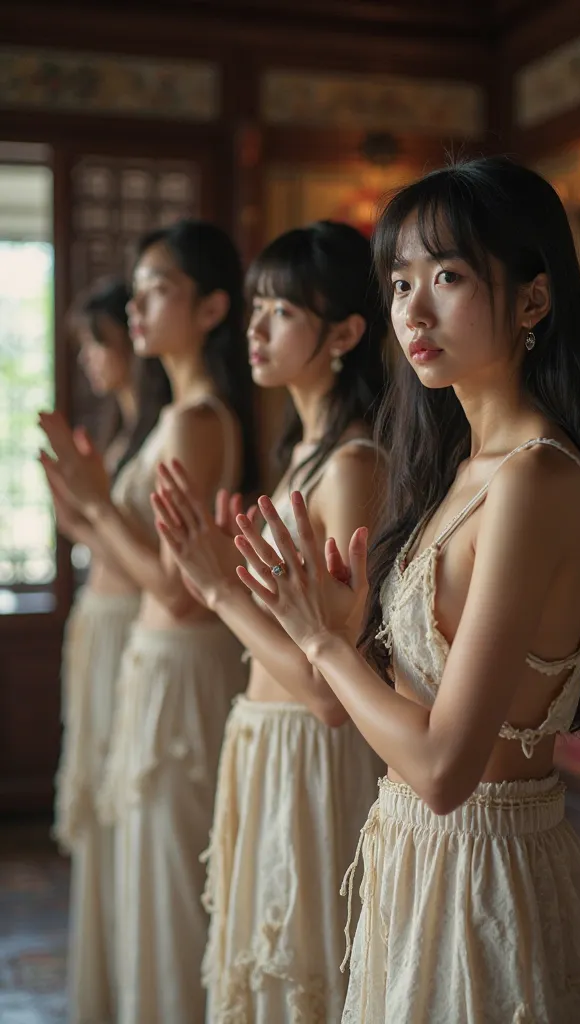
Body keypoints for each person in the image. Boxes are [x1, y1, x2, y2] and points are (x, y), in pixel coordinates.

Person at [232, 160, 580, 1023]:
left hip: (486, 872)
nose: (412, 311)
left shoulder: (535, 479)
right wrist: (354, 637)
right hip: (417, 857)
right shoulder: (459, 471)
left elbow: (447, 768)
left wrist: (323, 645)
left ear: (533, 301)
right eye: (400, 282)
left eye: (448, 277)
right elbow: (406, 708)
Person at [151, 221, 387, 1022]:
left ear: (347, 332)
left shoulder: (353, 465)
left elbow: (330, 690)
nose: (254, 329)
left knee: (303, 983)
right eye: (254, 307)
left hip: (312, 754)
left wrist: (219, 591)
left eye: (280, 311)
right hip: (266, 739)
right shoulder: (302, 451)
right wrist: (231, 576)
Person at [39, 220, 255, 1024]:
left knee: (171, 882)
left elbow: (174, 588)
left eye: (157, 287)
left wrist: (95, 504)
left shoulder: (198, 420)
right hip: (154, 659)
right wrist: (86, 508)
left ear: (210, 309)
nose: (136, 306)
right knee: (145, 871)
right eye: (135, 289)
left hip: (181, 659)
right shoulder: (175, 417)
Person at [49, 278, 170, 1024]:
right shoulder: (127, 434)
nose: (92, 357)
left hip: (137, 623)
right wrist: (78, 507)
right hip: (107, 620)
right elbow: (104, 540)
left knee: (127, 809)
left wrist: (91, 505)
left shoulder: (168, 430)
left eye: (102, 342)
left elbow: (144, 560)